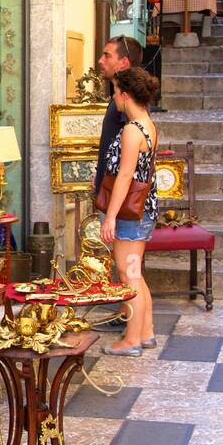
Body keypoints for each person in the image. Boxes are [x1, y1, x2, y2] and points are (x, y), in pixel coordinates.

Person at [99, 67, 160, 356]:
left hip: (130, 213)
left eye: (115, 92)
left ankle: (131, 340)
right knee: (136, 273)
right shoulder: (148, 124)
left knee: (128, 275)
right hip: (144, 210)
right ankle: (145, 332)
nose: (114, 98)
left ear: (125, 95)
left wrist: (110, 216)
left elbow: (125, 176)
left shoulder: (130, 130)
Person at [93, 35, 143, 199]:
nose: (101, 60)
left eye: (107, 55)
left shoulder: (127, 100)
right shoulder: (121, 98)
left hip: (119, 201)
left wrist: (112, 214)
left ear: (124, 63)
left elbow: (128, 167)